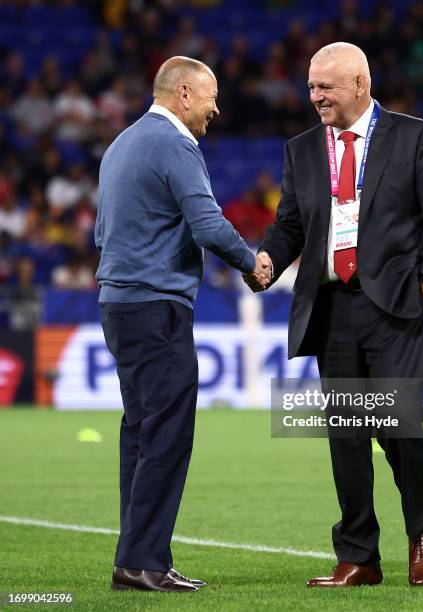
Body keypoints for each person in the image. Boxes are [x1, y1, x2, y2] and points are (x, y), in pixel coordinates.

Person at [245, 43, 423, 588]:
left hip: (397, 306)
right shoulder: (301, 149)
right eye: (311, 87)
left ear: (360, 84)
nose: (314, 97)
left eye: (326, 87)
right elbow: (291, 223)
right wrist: (269, 259)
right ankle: (359, 555)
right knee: (346, 431)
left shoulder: (415, 136)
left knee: (399, 420)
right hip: (332, 306)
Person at [95, 56, 270, 593]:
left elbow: (105, 230)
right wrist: (251, 261)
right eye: (211, 96)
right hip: (155, 306)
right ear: (185, 94)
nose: (217, 108)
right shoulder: (175, 145)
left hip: (119, 303)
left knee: (141, 431)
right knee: (167, 432)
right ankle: (144, 561)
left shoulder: (121, 144)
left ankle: (135, 558)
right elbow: (207, 222)